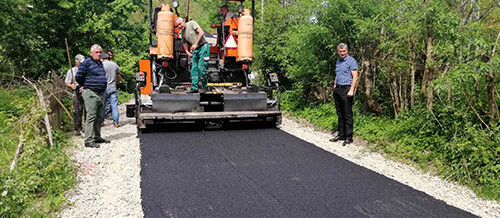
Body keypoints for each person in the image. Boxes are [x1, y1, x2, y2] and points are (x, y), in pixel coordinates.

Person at [76, 44, 110, 148]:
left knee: (99, 116)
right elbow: (78, 77)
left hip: (100, 93)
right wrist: (85, 85)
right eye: (97, 52)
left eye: (100, 52)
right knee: (91, 116)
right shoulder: (87, 63)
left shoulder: (100, 63)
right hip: (91, 92)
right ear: (91, 53)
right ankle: (88, 140)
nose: (99, 54)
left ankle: (97, 136)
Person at [329, 43, 358, 146]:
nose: (342, 53)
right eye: (340, 51)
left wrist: (351, 90)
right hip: (338, 89)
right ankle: (341, 135)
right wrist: (335, 85)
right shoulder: (338, 62)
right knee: (340, 114)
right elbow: (338, 74)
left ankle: (349, 137)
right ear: (338, 52)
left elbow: (355, 77)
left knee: (347, 114)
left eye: (344, 51)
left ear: (347, 51)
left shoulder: (351, 61)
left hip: (347, 89)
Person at [175, 17, 209, 93]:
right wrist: (187, 52)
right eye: (178, 26)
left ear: (183, 21)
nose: (179, 27)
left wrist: (196, 44)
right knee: (194, 68)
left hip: (203, 47)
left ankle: (205, 86)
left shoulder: (192, 24)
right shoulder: (183, 33)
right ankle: (194, 88)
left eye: (180, 24)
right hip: (195, 50)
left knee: (201, 67)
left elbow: (201, 33)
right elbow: (184, 42)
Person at [65, 54, 86, 136]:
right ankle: (78, 128)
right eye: (80, 63)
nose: (82, 64)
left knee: (87, 109)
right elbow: (66, 82)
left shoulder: (86, 70)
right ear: (76, 62)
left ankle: (88, 127)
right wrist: (71, 85)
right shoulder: (71, 71)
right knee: (77, 110)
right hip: (76, 92)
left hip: (85, 90)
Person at [101, 52, 121, 128]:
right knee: (114, 105)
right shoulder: (115, 65)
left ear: (103, 58)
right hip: (113, 87)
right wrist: (116, 83)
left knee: (102, 105)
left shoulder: (101, 65)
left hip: (104, 87)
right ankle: (116, 122)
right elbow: (119, 76)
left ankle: (101, 121)